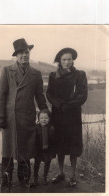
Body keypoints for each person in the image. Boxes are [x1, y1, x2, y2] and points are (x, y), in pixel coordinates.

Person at [0, 38, 48, 186]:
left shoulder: (36, 74)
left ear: (29, 53)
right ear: (16, 56)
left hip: (27, 117)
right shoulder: (6, 70)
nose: (24, 55)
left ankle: (24, 180)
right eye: (20, 53)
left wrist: (44, 111)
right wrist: (0, 116)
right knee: (7, 150)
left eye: (26, 52)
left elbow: (40, 96)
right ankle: (5, 181)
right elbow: (0, 95)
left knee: (25, 149)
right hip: (9, 119)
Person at [46, 48, 88, 186]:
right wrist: (59, 104)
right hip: (58, 115)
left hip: (73, 116)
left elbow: (83, 95)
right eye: (64, 59)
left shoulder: (80, 75)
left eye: (69, 59)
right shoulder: (53, 75)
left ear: (73, 60)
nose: (67, 62)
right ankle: (61, 172)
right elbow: (49, 94)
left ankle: (73, 175)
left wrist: (68, 105)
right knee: (60, 145)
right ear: (59, 61)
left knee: (73, 146)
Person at [32, 109, 56, 186]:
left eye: (46, 118)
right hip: (38, 150)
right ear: (38, 119)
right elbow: (34, 139)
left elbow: (54, 140)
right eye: (41, 118)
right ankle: (35, 177)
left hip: (48, 149)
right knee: (37, 163)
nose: (43, 120)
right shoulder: (36, 127)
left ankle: (45, 176)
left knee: (47, 162)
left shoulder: (51, 128)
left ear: (49, 119)